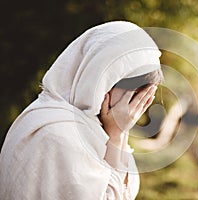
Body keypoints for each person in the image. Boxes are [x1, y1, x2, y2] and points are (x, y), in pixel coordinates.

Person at [0, 21, 163, 200]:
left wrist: (119, 133)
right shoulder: (56, 134)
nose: (134, 106)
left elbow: (125, 189)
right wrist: (116, 137)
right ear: (101, 80)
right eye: (134, 93)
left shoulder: (92, 125)